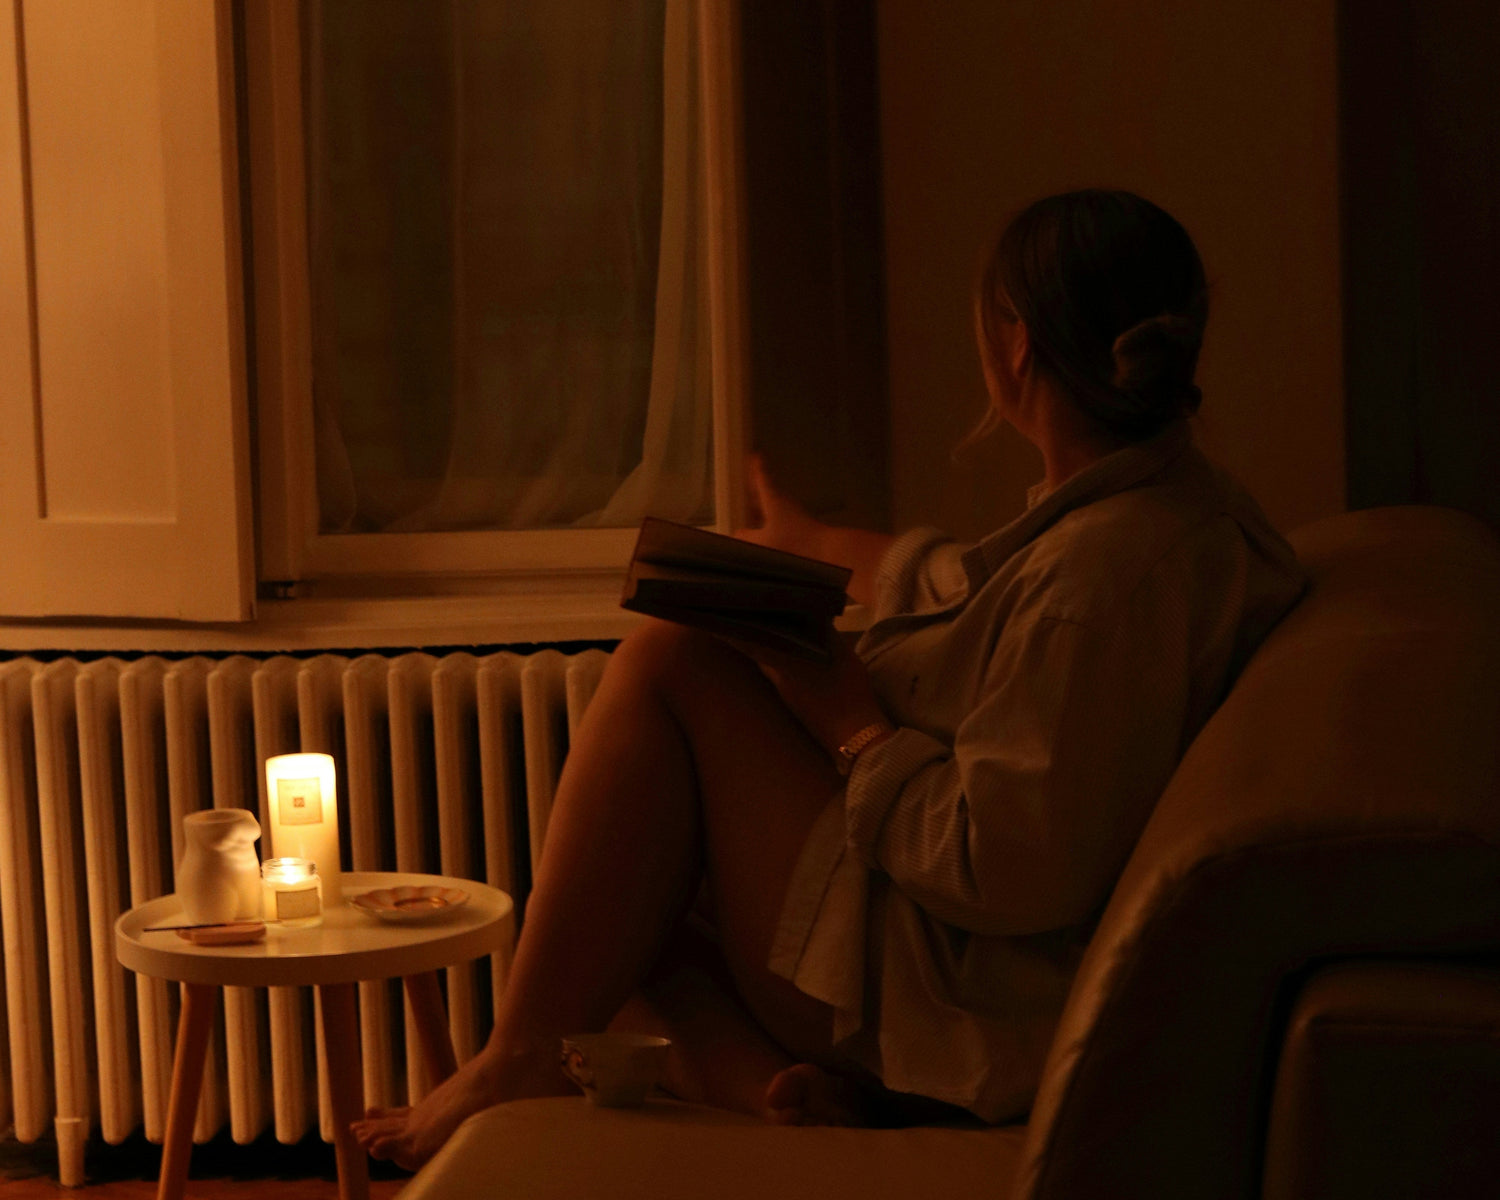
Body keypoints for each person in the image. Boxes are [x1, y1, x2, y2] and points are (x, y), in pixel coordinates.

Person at [352, 188, 1307, 1167]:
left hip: (967, 993)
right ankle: (770, 1096)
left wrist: (853, 726)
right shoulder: (1170, 509)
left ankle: (515, 1058)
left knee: (670, 658)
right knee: (620, 919)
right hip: (981, 958)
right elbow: (968, 588)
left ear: (1015, 346)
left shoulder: (1101, 580)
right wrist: (817, 549)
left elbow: (1005, 865)